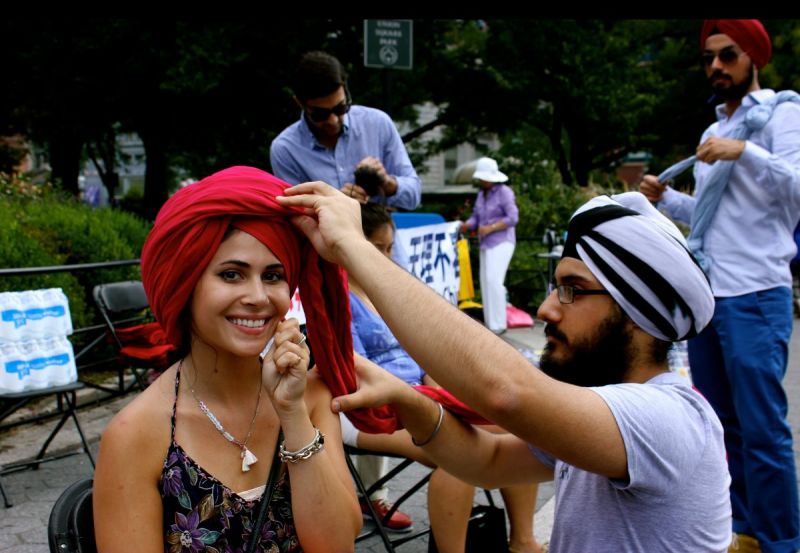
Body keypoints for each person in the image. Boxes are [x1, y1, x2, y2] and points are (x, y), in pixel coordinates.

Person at [278, 183, 731, 552]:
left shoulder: (667, 417)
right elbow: (488, 462)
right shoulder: (610, 414)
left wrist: (353, 247)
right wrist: (407, 399)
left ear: (637, 312)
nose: (546, 309)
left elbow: (508, 392)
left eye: (572, 289)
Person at [92, 167, 361, 553]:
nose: (258, 297)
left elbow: (337, 546)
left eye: (273, 276)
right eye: (232, 274)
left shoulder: (311, 397)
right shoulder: (136, 434)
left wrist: (293, 416)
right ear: (184, 285)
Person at [640, 19, 800, 553]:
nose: (716, 66)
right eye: (709, 57)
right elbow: (712, 218)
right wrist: (667, 200)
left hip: (757, 291)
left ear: (753, 57)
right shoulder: (714, 131)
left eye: (728, 55)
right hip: (709, 295)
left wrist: (745, 151)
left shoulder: (783, 113)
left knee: (763, 429)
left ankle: (782, 541)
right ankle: (744, 532)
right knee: (721, 426)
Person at [345, 203, 542, 553]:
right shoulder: (338, 297)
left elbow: (424, 351)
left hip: (419, 397)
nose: (385, 257)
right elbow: (355, 371)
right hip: (370, 407)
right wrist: (422, 398)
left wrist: (438, 391)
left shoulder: (387, 291)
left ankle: (523, 541)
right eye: (376, 248)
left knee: (517, 428)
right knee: (457, 452)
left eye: (389, 248)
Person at [270, 50, 421, 210]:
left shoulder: (377, 123)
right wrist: (337, 205)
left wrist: (386, 182)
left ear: (346, 91)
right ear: (300, 103)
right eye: (321, 114)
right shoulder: (286, 149)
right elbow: (294, 213)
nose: (333, 120)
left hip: (381, 226)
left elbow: (414, 195)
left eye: (340, 108)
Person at [460, 157, 519, 333]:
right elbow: (476, 218)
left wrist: (491, 228)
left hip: (502, 240)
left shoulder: (505, 192)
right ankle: (490, 324)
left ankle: (499, 324)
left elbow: (513, 218)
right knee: (486, 282)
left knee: (494, 281)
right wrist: (466, 225)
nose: (481, 180)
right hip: (485, 243)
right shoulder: (481, 194)